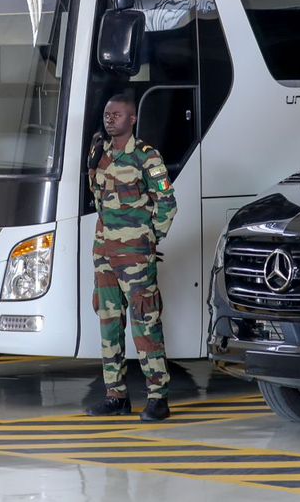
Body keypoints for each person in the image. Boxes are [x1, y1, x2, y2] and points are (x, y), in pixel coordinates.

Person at [85, 94, 177, 421]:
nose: (111, 119)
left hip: (135, 254)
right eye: (108, 114)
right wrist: (102, 245)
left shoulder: (145, 157)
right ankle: (116, 396)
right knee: (109, 324)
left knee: (144, 321)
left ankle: (158, 397)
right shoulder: (99, 153)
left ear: (132, 119)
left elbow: (167, 203)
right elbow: (99, 204)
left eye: (118, 115)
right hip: (104, 252)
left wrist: (149, 239)